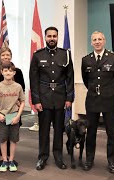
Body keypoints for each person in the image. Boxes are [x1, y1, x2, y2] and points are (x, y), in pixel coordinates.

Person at [29, 26, 74, 170]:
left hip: (60, 98)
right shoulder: (37, 55)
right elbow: (33, 79)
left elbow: (70, 77)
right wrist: (36, 100)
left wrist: (69, 98)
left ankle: (58, 157)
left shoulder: (65, 54)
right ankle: (42, 157)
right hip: (44, 98)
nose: (52, 38)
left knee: (59, 129)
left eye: (54, 36)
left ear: (58, 37)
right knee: (44, 130)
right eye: (49, 36)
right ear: (45, 37)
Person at [81, 31, 114, 173]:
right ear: (91, 42)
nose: (97, 42)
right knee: (91, 132)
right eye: (94, 39)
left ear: (104, 41)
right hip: (92, 100)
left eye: (100, 39)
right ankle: (89, 159)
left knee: (111, 133)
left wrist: (111, 92)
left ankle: (111, 161)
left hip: (109, 101)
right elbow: (86, 80)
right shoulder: (86, 60)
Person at [0, 62, 25, 172]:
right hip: (2, 117)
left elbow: (22, 102)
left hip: (14, 116)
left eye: (10, 71)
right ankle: (4, 161)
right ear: (2, 72)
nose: (8, 73)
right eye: (5, 70)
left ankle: (11, 160)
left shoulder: (18, 86)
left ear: (14, 72)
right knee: (3, 140)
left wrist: (18, 116)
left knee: (13, 140)